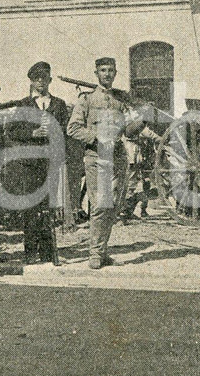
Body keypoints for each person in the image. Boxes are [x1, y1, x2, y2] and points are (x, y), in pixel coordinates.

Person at [66, 57, 159, 269]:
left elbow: (128, 131)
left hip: (117, 158)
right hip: (96, 157)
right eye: (103, 70)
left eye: (110, 71)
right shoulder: (86, 100)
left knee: (114, 206)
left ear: (116, 73)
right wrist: (96, 137)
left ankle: (103, 249)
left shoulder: (119, 101)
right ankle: (95, 254)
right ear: (96, 73)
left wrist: (144, 118)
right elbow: (73, 128)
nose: (107, 74)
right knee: (100, 205)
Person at [3, 61, 69, 265]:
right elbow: (11, 132)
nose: (41, 82)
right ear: (31, 81)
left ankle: (48, 251)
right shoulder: (23, 105)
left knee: (48, 207)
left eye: (44, 78)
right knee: (31, 207)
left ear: (49, 80)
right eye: (36, 78)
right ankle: (31, 251)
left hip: (49, 162)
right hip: (29, 164)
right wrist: (32, 133)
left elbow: (66, 131)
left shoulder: (58, 104)